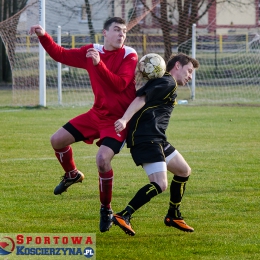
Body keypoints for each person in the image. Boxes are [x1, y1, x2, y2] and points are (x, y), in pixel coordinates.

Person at [29, 17, 138, 232]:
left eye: (124, 31)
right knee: (57, 140)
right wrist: (43, 36)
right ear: (104, 33)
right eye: (117, 30)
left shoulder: (129, 54)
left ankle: (105, 208)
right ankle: (72, 174)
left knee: (102, 160)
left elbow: (120, 85)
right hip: (96, 114)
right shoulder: (91, 51)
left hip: (118, 120)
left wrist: (99, 64)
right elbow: (60, 54)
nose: (121, 34)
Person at [112, 53, 199, 236]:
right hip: (146, 138)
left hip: (156, 138)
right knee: (160, 184)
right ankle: (124, 215)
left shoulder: (166, 82)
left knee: (183, 170)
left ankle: (173, 215)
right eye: (189, 71)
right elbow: (141, 99)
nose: (190, 76)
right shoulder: (167, 82)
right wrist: (125, 119)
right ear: (177, 66)